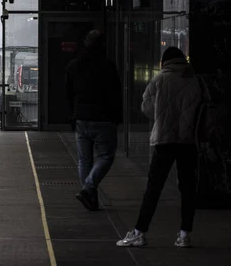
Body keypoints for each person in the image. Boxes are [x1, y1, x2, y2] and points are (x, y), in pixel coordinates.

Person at [116, 47, 200, 248]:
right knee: (188, 188)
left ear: (165, 62)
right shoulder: (195, 80)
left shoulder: (160, 79)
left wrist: (162, 115)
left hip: (165, 139)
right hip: (188, 141)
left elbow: (146, 107)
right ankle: (184, 234)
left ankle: (139, 232)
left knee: (154, 188)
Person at [65, 29, 122, 211]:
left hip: (81, 118)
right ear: (103, 44)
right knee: (106, 156)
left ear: (85, 43)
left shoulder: (73, 65)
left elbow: (68, 94)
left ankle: (89, 196)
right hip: (104, 118)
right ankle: (88, 188)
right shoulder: (108, 66)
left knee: (84, 160)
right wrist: (117, 117)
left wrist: (73, 114)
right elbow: (116, 93)